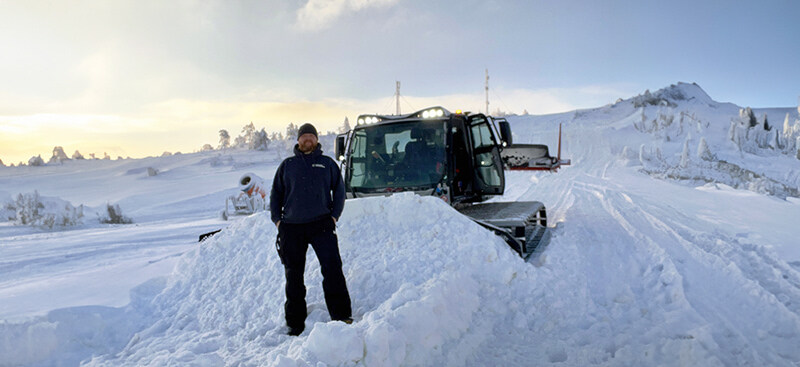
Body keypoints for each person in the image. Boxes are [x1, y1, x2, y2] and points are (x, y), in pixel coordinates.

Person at [270, 123, 352, 336]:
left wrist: (334, 217)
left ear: (317, 141)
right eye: (304, 137)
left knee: (332, 269)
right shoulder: (287, 165)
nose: (307, 140)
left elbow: (340, 192)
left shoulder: (327, 164)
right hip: (292, 228)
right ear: (298, 141)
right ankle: (294, 323)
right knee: (294, 275)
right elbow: (275, 195)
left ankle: (341, 315)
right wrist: (278, 221)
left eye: (311, 137)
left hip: (321, 225)